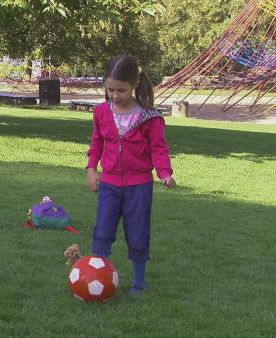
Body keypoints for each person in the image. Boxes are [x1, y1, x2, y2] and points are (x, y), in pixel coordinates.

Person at [85, 55, 176, 295]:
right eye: (110, 89)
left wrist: (165, 173)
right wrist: (92, 169)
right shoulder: (101, 112)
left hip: (139, 186)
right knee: (103, 231)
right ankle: (98, 276)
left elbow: (159, 149)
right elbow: (96, 143)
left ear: (134, 85)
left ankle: (139, 282)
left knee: (137, 233)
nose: (115, 95)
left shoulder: (149, 117)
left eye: (121, 90)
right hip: (110, 185)